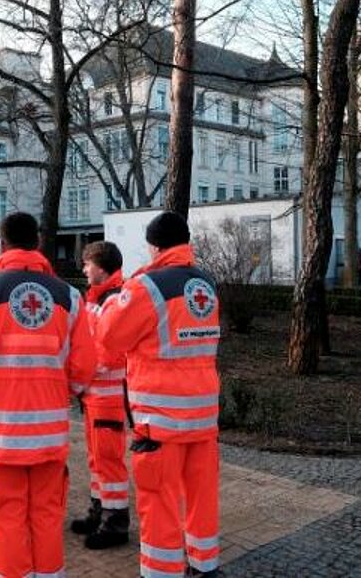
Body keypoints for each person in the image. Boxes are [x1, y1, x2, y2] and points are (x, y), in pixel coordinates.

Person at [0, 212, 96, 578]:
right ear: (38, 244)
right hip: (49, 433)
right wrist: (59, 393)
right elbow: (85, 367)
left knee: (7, 518)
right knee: (47, 516)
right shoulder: (70, 297)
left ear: (2, 244)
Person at [97, 211, 221, 578]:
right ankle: (204, 565)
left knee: (159, 500)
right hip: (204, 416)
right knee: (202, 498)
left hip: (159, 420)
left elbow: (108, 338)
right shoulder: (205, 283)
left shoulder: (146, 287)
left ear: (154, 246)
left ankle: (162, 572)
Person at [70, 240, 130, 549]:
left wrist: (79, 372)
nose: (83, 269)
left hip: (105, 395)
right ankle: (100, 511)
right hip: (95, 396)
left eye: (87, 264)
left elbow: (107, 355)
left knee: (110, 461)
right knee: (97, 460)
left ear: (102, 268)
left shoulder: (114, 301)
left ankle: (116, 523)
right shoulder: (97, 299)